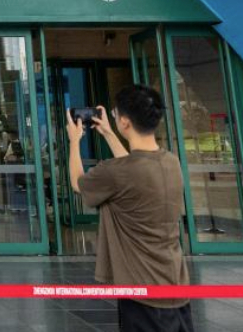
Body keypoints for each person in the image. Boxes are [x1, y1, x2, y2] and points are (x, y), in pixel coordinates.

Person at [67, 85, 195, 332]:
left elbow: (77, 183)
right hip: (176, 285)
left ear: (125, 122)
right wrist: (108, 133)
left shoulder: (118, 172)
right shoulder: (170, 162)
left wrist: (75, 142)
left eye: (115, 115)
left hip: (143, 293)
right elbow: (133, 166)